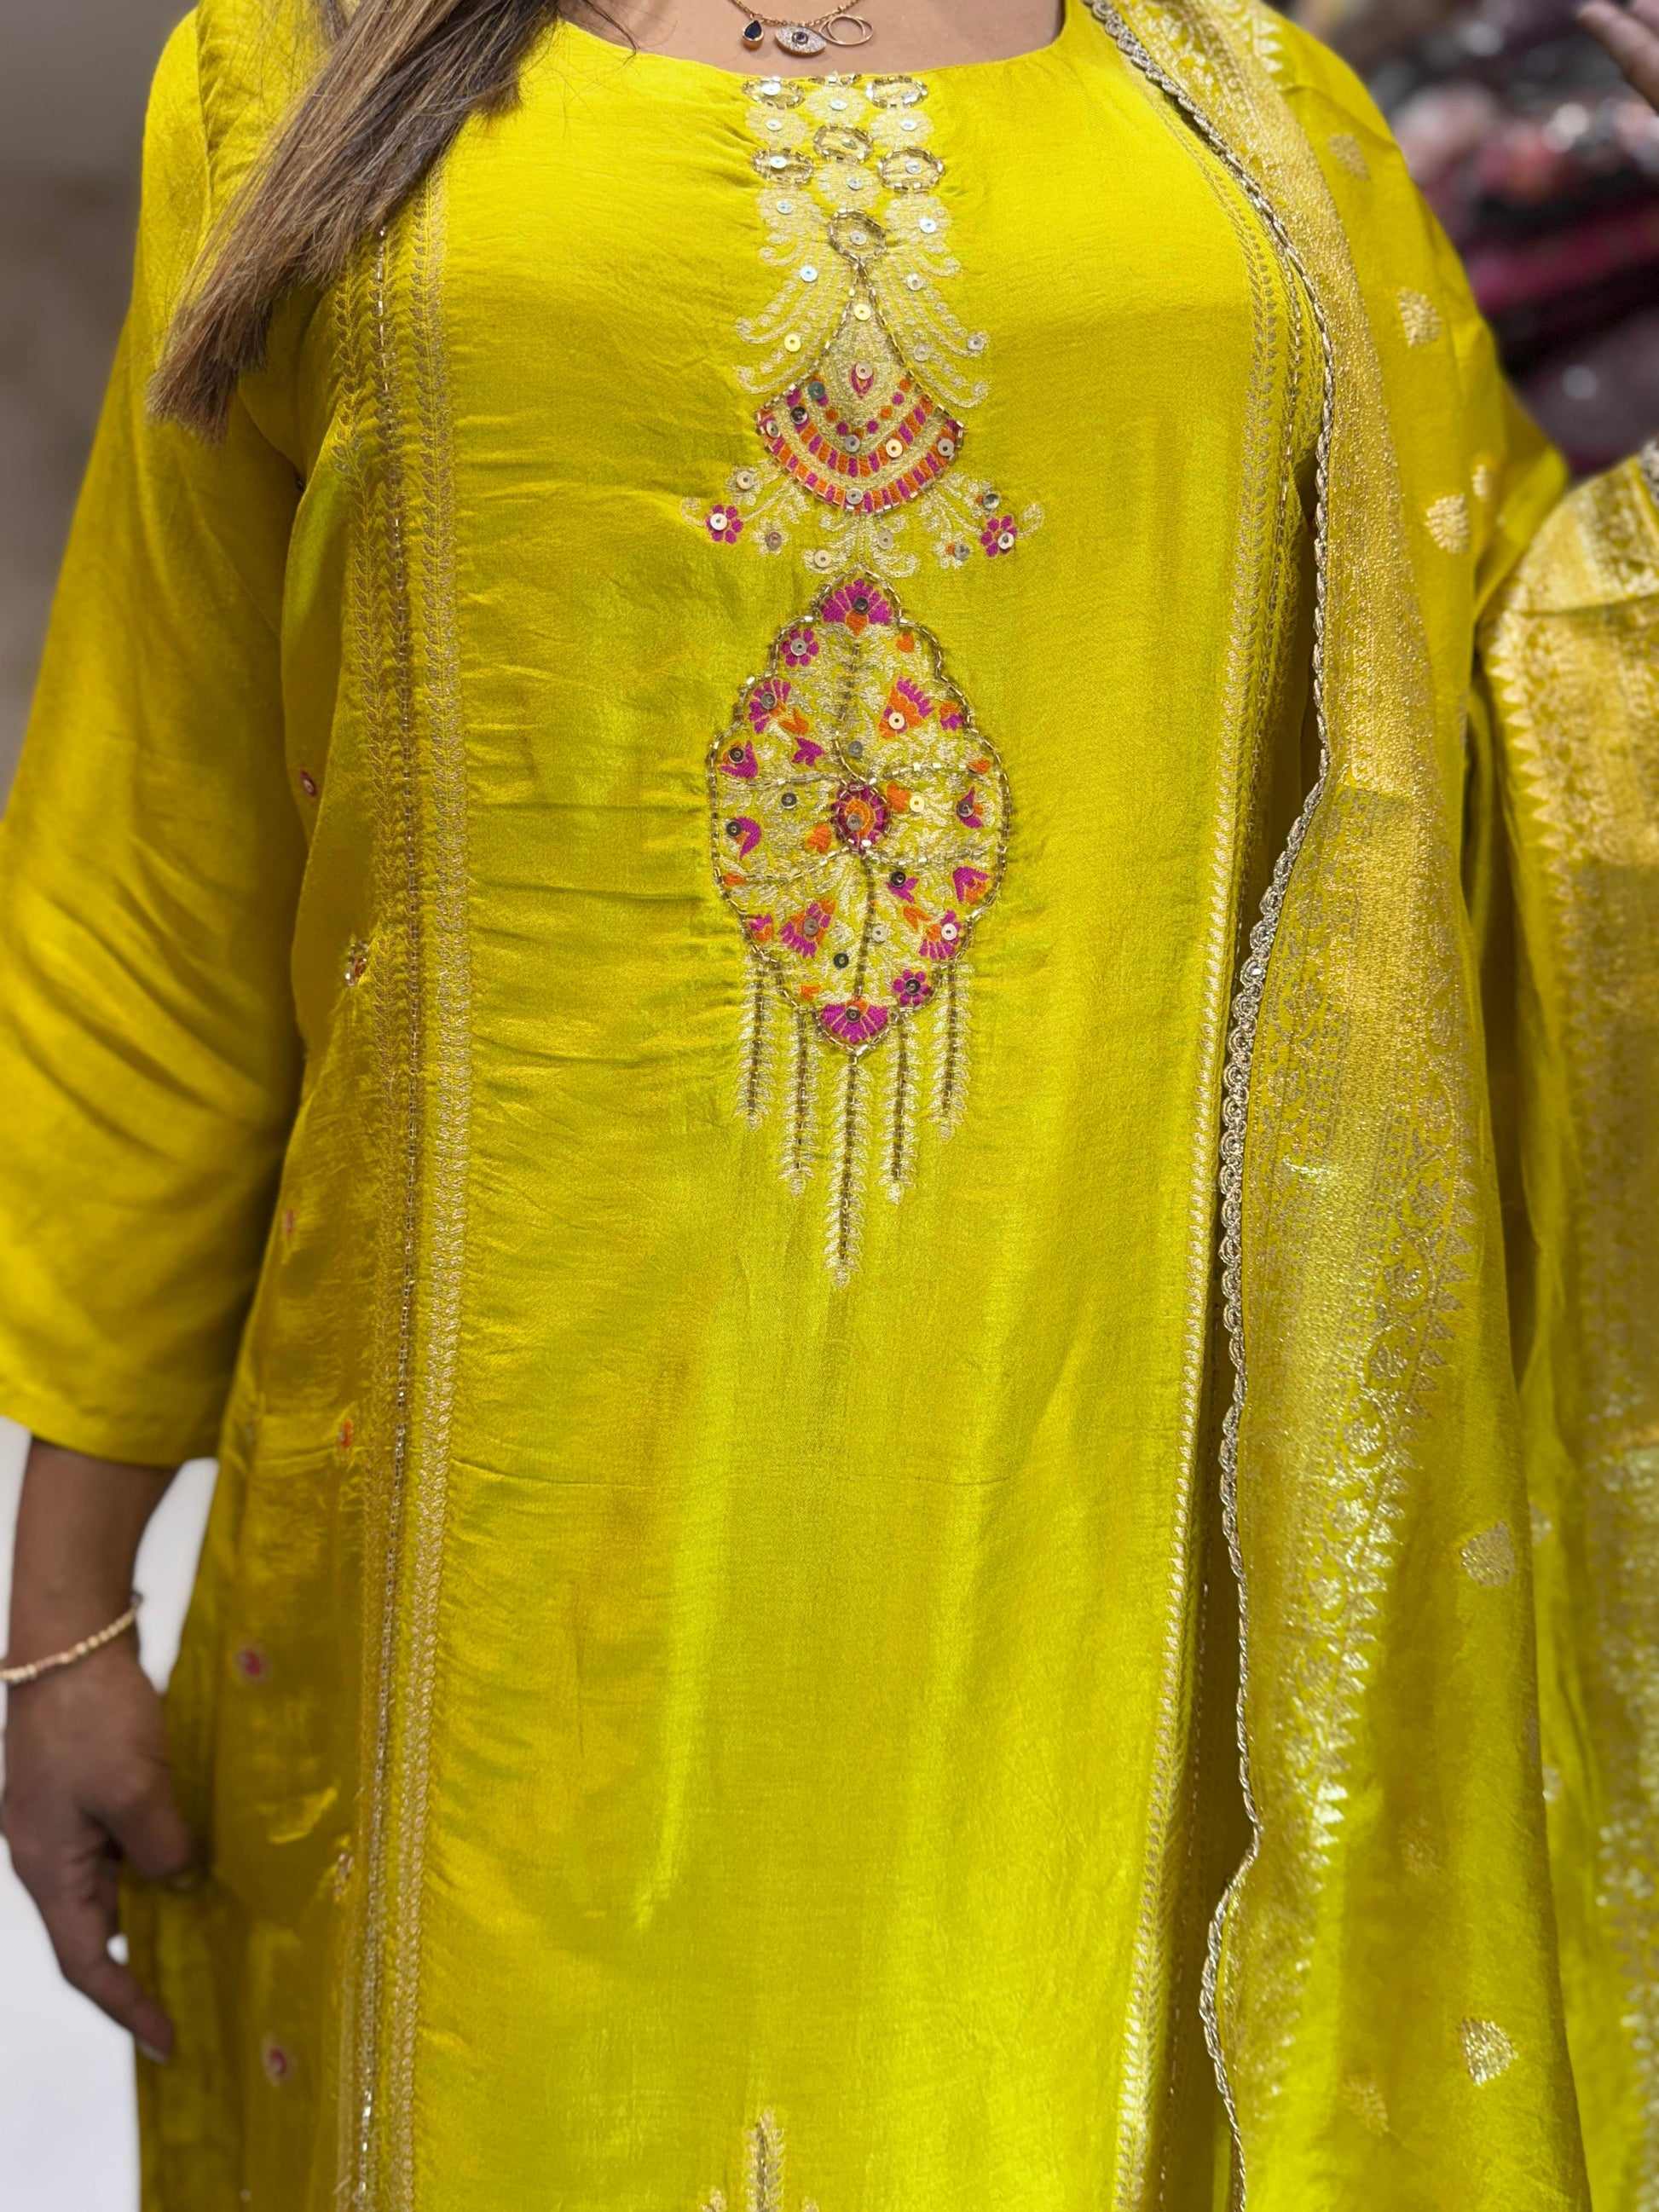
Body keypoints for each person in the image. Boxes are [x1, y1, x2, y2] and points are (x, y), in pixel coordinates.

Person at [1, 0, 1656, 2203]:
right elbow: (171, 852)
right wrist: (65, 1599)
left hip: (1099, 1558)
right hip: (497, 1604)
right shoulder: (300, 74)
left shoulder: (1259, 124)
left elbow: (1539, 735)